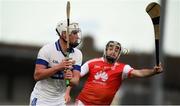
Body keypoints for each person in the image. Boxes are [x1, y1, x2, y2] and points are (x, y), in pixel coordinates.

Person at [70, 40, 163, 105]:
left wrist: (153, 71)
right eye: (110, 49)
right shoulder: (92, 63)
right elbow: (76, 76)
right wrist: (68, 71)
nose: (113, 52)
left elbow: (140, 73)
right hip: (83, 103)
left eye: (116, 50)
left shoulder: (123, 68)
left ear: (118, 54)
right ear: (105, 50)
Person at [29, 20, 83, 106]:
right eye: (74, 33)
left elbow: (75, 81)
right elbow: (37, 75)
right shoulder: (47, 50)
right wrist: (58, 67)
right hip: (42, 99)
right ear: (64, 34)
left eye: (77, 33)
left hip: (60, 100)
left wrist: (69, 79)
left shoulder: (78, 54)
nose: (77, 36)